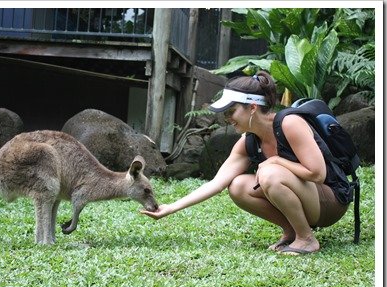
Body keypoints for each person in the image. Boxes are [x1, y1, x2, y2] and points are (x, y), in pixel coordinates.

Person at [141, 71, 352, 255]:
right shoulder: (249, 141)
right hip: (308, 199)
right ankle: (291, 231)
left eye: (231, 112)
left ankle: (307, 239)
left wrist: (277, 160)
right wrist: (171, 208)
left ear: (252, 107)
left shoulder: (290, 123)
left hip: (330, 201)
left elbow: (317, 174)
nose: (227, 119)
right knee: (238, 185)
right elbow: (217, 183)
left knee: (270, 173)